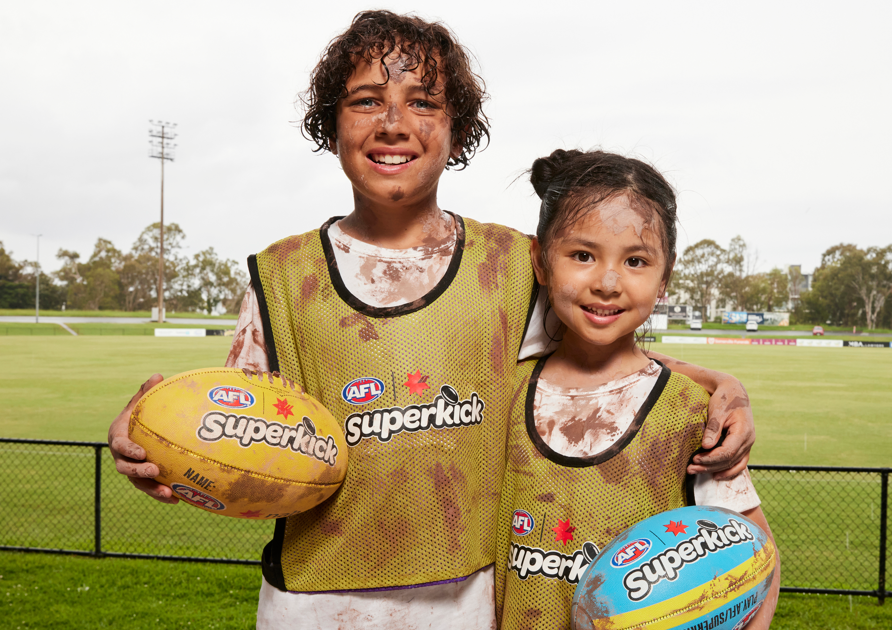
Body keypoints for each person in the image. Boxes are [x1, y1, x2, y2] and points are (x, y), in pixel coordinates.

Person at [105, 10, 758, 629]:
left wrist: (717, 386)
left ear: (457, 129)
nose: (393, 123)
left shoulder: (509, 265)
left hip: (466, 599)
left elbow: (599, 358)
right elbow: (231, 427)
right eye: (365, 100)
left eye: (423, 102)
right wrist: (154, 437)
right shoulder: (281, 276)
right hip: (311, 604)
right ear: (332, 124)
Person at [494, 149, 780, 629]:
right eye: (582, 255)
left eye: (636, 260)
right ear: (541, 263)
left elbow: (757, 562)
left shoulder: (693, 413)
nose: (608, 282)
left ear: (664, 277)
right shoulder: (504, 390)